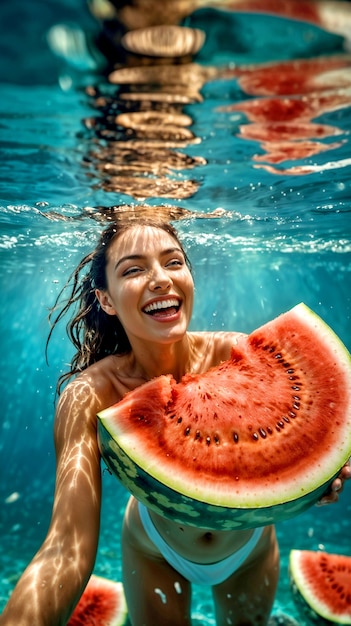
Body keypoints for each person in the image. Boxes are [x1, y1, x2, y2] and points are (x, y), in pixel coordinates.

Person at [1, 218, 350, 626]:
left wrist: (312, 476)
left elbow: (318, 416)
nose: (161, 279)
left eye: (174, 262)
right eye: (133, 269)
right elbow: (66, 549)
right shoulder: (91, 394)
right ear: (107, 299)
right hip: (153, 548)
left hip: (251, 546)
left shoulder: (236, 353)